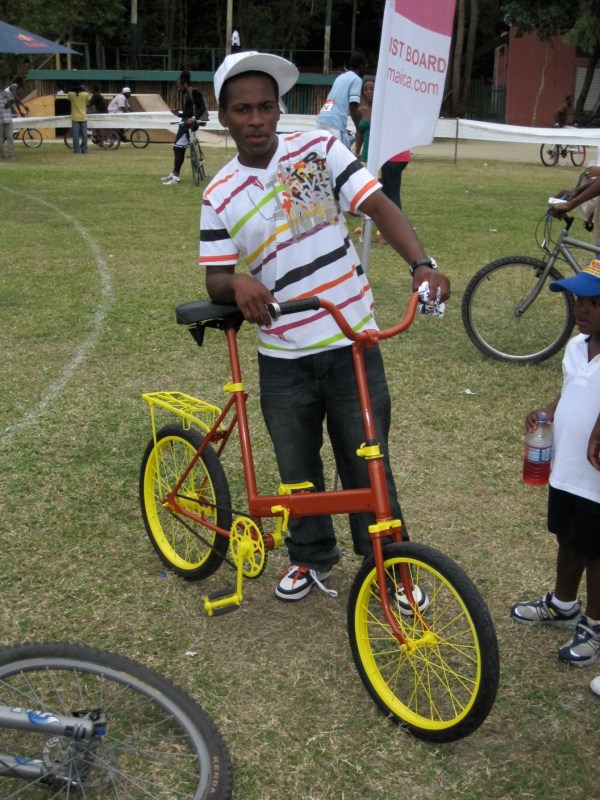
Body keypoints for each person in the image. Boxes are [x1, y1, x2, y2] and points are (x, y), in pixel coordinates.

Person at [199, 51, 450, 601]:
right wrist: (236, 284)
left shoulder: (318, 149)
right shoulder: (218, 193)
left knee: (369, 462)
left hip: (351, 343)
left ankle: (389, 566)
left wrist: (421, 264)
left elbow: (378, 205)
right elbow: (215, 278)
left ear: (279, 108)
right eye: (243, 110)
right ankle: (310, 557)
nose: (257, 119)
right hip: (282, 355)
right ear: (224, 117)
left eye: (266, 106)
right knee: (296, 468)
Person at [511, 259, 600, 667]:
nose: (582, 309)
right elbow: (569, 391)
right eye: (579, 300)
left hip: (595, 476)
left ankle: (595, 624)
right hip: (567, 470)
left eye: (593, 303)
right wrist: (546, 412)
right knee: (568, 535)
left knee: (596, 550)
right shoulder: (576, 347)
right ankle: (563, 604)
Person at [161, 70, 207, 185]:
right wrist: (179, 114)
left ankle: (176, 176)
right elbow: (188, 113)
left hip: (189, 125)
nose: (178, 89)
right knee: (178, 148)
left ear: (185, 84)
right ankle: (174, 173)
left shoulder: (194, 92)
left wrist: (194, 118)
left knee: (177, 148)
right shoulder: (189, 94)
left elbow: (202, 107)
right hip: (186, 122)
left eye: (179, 86)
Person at [316, 52, 365, 149]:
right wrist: (358, 128)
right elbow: (353, 105)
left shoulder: (340, 77)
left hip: (322, 119)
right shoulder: (356, 79)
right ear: (361, 66)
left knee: (324, 155)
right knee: (341, 155)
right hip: (335, 123)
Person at [67, 83, 92, 154]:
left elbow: (68, 97)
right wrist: (85, 89)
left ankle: (76, 150)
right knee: (84, 134)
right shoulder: (85, 94)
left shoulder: (70, 94)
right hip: (83, 117)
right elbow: (90, 98)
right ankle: (84, 149)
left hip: (75, 117)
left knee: (75, 135)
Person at [0, 85, 15, 159]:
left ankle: (11, 154)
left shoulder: (6, 93)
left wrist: (8, 104)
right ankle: (1, 154)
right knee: (1, 138)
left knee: (10, 137)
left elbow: (12, 100)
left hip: (8, 118)